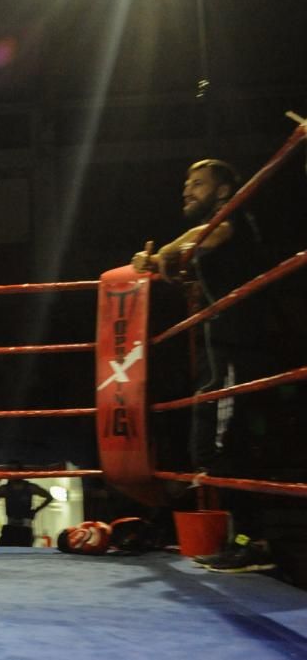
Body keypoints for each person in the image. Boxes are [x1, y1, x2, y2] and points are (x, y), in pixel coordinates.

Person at [131, 159, 275, 572]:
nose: (187, 190)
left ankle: (253, 541)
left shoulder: (233, 216)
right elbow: (185, 265)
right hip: (224, 347)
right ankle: (243, 538)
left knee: (221, 443)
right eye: (186, 183)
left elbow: (207, 236)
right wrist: (157, 262)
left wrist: (167, 252)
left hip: (237, 346)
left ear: (223, 191)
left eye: (198, 183)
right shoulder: (218, 230)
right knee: (210, 444)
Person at [0, 478, 53, 546]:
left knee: (16, 551)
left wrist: (36, 510)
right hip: (14, 526)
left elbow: (49, 497)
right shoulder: (5, 489)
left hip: (23, 527)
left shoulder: (29, 487)